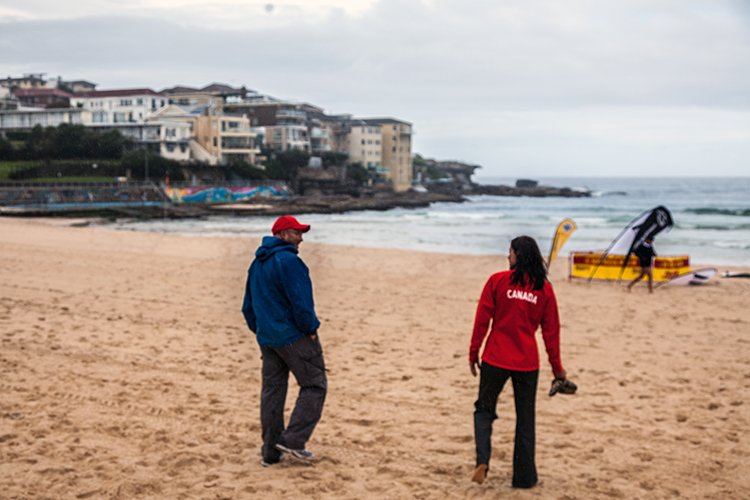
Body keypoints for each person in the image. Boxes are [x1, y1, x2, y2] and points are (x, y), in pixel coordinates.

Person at [468, 235, 571, 488]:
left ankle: (483, 460)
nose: (507, 256)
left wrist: (473, 352)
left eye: (510, 252)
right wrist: (558, 370)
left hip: (495, 357)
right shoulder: (544, 289)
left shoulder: (497, 281)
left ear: (518, 255)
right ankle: (524, 478)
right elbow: (551, 333)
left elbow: (482, 320)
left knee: (484, 410)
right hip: (526, 362)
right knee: (525, 419)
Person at [242, 215, 327, 466]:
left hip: (268, 338)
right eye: (296, 233)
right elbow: (301, 302)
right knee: (315, 385)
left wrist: (261, 330)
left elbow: (247, 306)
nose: (301, 238)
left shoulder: (257, 263)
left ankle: (270, 452)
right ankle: (293, 440)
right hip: (293, 336)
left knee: (273, 392)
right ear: (281, 235)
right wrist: (310, 328)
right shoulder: (290, 261)